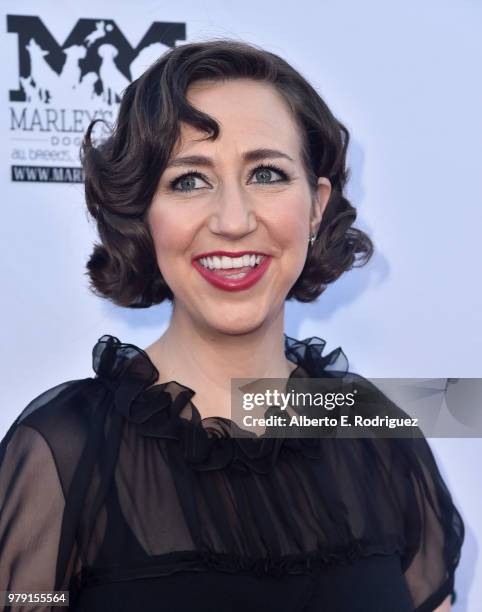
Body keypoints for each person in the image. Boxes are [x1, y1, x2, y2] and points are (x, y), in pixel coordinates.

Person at [0, 40, 464, 612]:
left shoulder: (377, 434)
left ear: (316, 205)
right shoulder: (66, 449)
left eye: (267, 173)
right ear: (142, 211)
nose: (234, 221)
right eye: (189, 181)